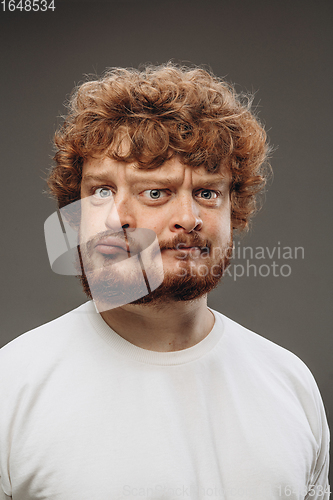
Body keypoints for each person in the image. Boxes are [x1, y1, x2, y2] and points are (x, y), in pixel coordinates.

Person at [0, 64, 330, 500]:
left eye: (207, 193)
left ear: (235, 210)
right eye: (156, 192)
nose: (189, 220)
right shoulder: (13, 385)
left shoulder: (290, 384)